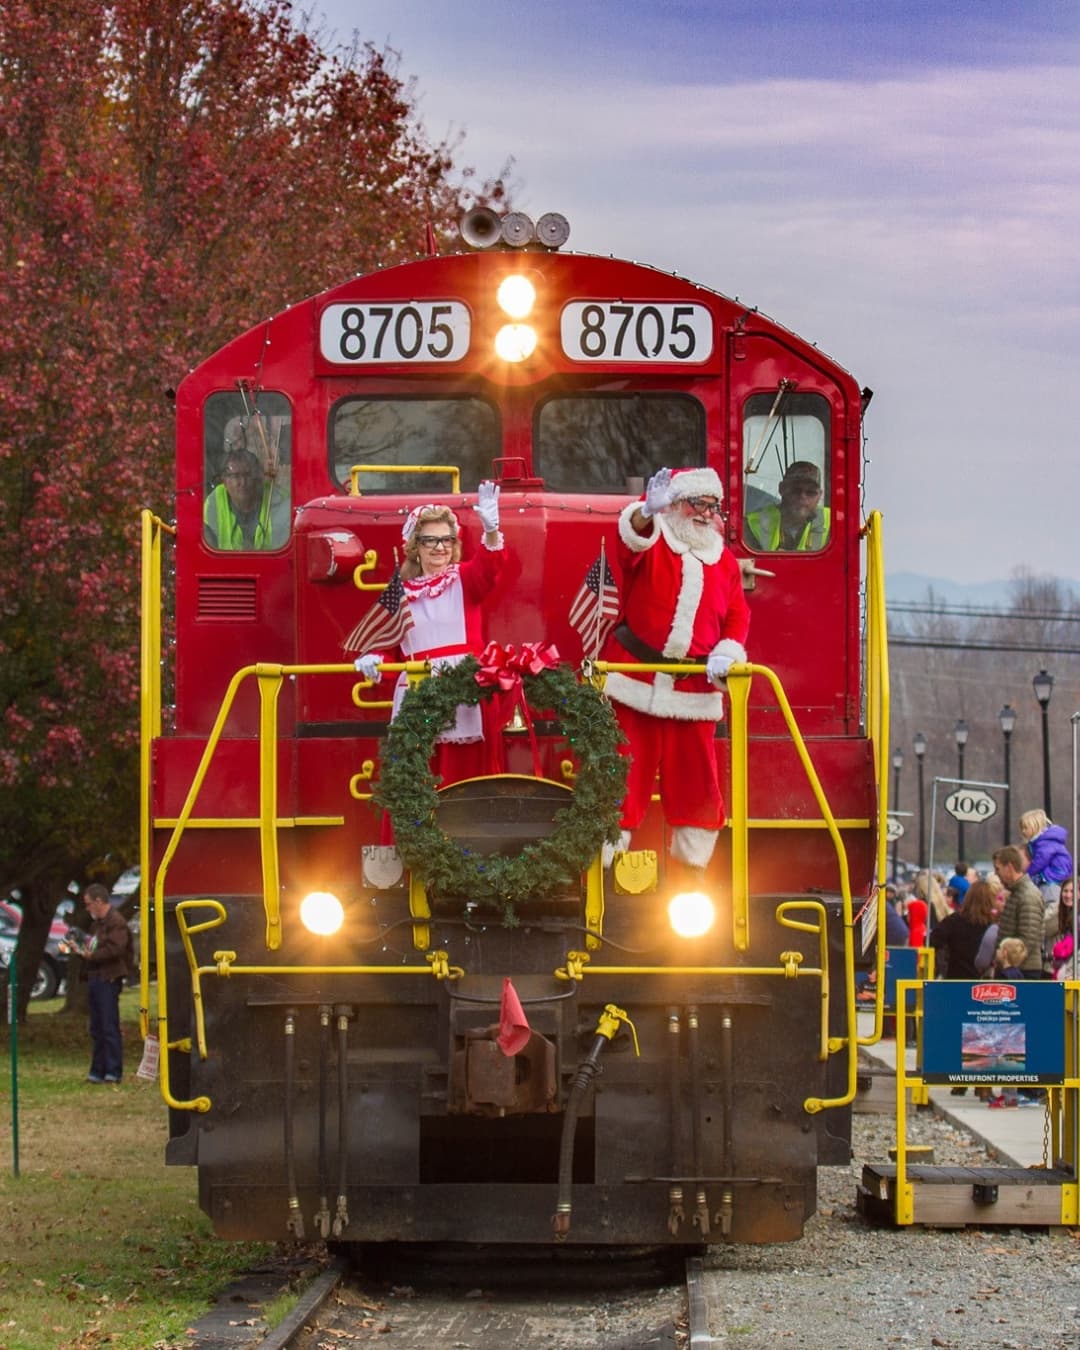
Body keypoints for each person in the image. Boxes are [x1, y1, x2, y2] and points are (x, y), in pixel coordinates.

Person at [600, 465, 750, 870]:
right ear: (676, 504)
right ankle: (604, 871)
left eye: (712, 505)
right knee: (620, 779)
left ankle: (691, 871)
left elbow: (737, 616)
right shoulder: (653, 542)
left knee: (698, 783)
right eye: (696, 503)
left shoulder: (726, 563)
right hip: (634, 682)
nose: (704, 513)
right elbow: (629, 542)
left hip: (694, 694)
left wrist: (728, 652)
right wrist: (645, 513)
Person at [350, 482, 506, 788]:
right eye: (430, 540)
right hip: (416, 695)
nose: (440, 547)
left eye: (447, 540)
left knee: (462, 782)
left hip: (463, 696)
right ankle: (414, 837)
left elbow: (489, 568)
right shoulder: (400, 593)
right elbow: (388, 647)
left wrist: (491, 532)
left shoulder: (464, 579)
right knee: (416, 783)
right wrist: (374, 659)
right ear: (414, 547)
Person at [79, 883, 132, 1085]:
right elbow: (94, 943)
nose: (88, 908)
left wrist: (91, 955)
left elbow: (116, 949)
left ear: (99, 901)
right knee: (96, 1027)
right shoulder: (97, 925)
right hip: (96, 977)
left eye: (89, 904)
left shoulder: (116, 922)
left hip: (109, 978)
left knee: (109, 1026)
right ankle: (97, 1071)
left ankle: (113, 1071)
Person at [204, 445, 290, 549]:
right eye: (236, 476)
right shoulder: (213, 504)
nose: (243, 482)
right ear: (225, 481)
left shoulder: (278, 500)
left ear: (257, 477)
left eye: (247, 475)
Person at [744, 460, 830, 552]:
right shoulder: (753, 523)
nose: (802, 497)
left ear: (820, 495)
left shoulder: (835, 521)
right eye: (796, 490)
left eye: (811, 492)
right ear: (782, 489)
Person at [991, 845, 1046, 977]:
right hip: (1014, 969)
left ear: (1009, 867)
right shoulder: (1016, 893)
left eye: (998, 869)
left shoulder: (1028, 896)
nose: (996, 873)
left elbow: (1027, 940)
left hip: (1022, 971)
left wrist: (1008, 963)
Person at [927, 879, 999, 979]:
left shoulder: (953, 920)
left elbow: (931, 941)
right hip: (983, 985)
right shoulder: (994, 925)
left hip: (956, 979)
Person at [1018, 808, 1073, 906]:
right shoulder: (1040, 842)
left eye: (1025, 828)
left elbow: (1040, 861)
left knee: (1046, 895)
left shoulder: (1046, 842)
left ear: (1034, 826)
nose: (1023, 831)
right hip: (1052, 872)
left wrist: (1028, 873)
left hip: (1054, 873)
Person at [1051, 877, 1075, 979]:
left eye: (1072, 891)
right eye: (1065, 891)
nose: (1068, 895)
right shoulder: (1063, 913)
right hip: (1064, 968)